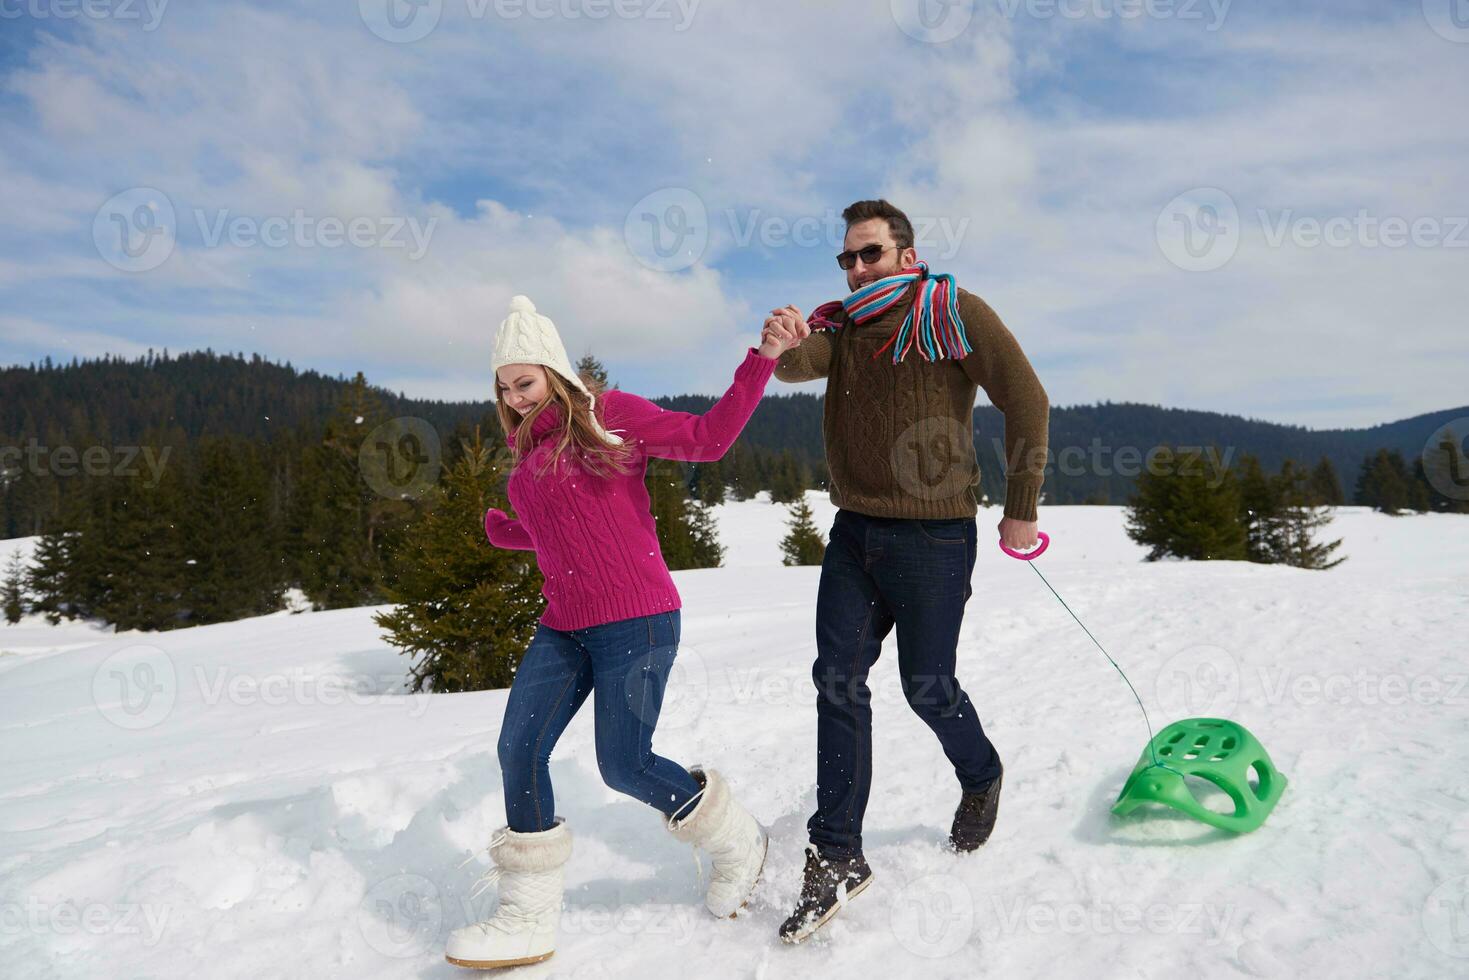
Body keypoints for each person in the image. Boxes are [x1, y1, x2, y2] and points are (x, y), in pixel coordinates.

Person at [445, 295, 805, 970]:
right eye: (502, 386)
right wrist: (510, 532)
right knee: (518, 748)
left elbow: (708, 438)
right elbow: (570, 527)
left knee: (623, 764)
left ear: (552, 372)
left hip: (635, 617)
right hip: (563, 625)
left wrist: (762, 361)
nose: (513, 398)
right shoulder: (527, 449)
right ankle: (526, 915)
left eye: (523, 382)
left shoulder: (610, 416)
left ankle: (737, 843)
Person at [761, 199, 1050, 944]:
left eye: (870, 255)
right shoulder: (845, 325)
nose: (856, 269)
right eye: (847, 258)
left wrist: (1022, 506)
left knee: (928, 688)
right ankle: (835, 857)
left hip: (934, 538)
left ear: (906, 256)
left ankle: (980, 773)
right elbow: (799, 365)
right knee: (836, 681)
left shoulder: (951, 310)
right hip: (855, 533)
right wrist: (782, 344)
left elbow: (1025, 400)